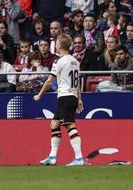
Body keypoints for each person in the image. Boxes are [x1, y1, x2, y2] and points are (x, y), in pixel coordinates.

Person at [34, 33, 84, 166]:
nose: (55, 45)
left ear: (60, 45)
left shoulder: (59, 61)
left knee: (69, 125)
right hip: (71, 95)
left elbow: (50, 81)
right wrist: (79, 98)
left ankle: (79, 158)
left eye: (56, 43)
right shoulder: (75, 61)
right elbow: (77, 81)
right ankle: (52, 157)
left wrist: (39, 95)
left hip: (65, 96)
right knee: (54, 125)